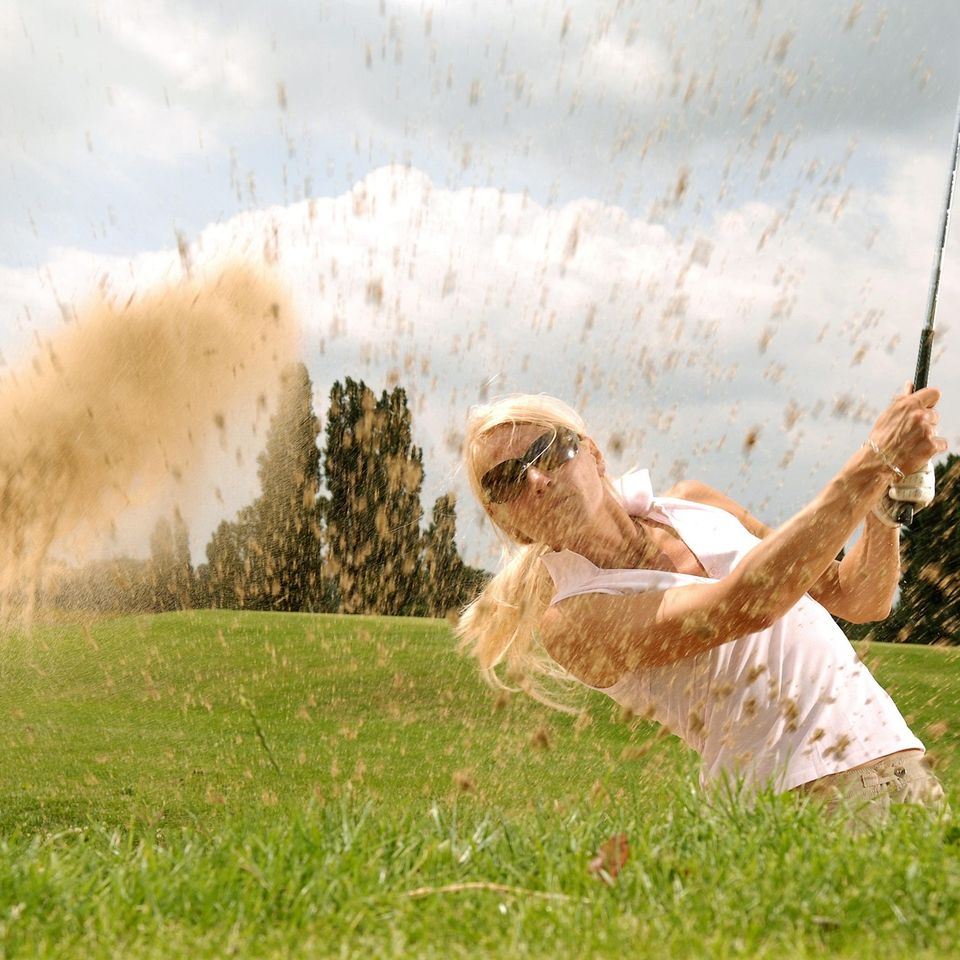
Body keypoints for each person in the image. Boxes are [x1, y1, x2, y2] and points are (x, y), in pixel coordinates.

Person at [456, 387, 948, 819]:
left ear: (594, 455)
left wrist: (886, 501)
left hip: (897, 758)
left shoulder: (695, 500)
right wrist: (874, 460)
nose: (536, 481)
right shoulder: (572, 619)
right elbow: (748, 604)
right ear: (513, 527)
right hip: (794, 800)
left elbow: (859, 596)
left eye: (545, 453)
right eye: (505, 483)